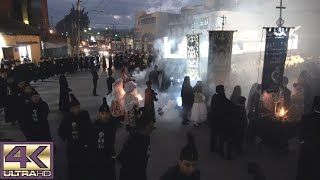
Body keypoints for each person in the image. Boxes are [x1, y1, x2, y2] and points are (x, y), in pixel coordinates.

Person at [58, 93, 94, 180]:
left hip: (83, 142)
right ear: (71, 109)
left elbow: (89, 127)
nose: (77, 109)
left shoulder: (84, 114)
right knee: (73, 162)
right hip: (72, 144)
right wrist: (66, 136)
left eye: (78, 107)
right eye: (74, 108)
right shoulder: (67, 118)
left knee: (84, 161)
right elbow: (61, 130)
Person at [117, 107, 155, 180]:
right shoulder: (133, 141)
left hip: (141, 173)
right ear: (147, 126)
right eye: (152, 122)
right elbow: (121, 158)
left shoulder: (146, 137)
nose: (153, 124)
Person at [92, 97, 117, 180]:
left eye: (107, 113)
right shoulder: (95, 125)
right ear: (99, 114)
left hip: (109, 153)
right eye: (103, 113)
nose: (105, 116)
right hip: (98, 154)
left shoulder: (112, 124)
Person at [296, 96, 320, 180]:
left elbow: (300, 134)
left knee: (303, 170)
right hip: (317, 150)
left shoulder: (306, 117)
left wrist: (302, 143)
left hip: (306, 148)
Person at [208, 85, 232, 155]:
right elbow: (225, 103)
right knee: (218, 134)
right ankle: (217, 149)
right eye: (222, 90)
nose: (224, 91)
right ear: (219, 90)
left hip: (216, 118)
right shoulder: (217, 97)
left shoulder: (217, 96)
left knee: (215, 134)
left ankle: (214, 148)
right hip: (217, 119)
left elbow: (227, 102)